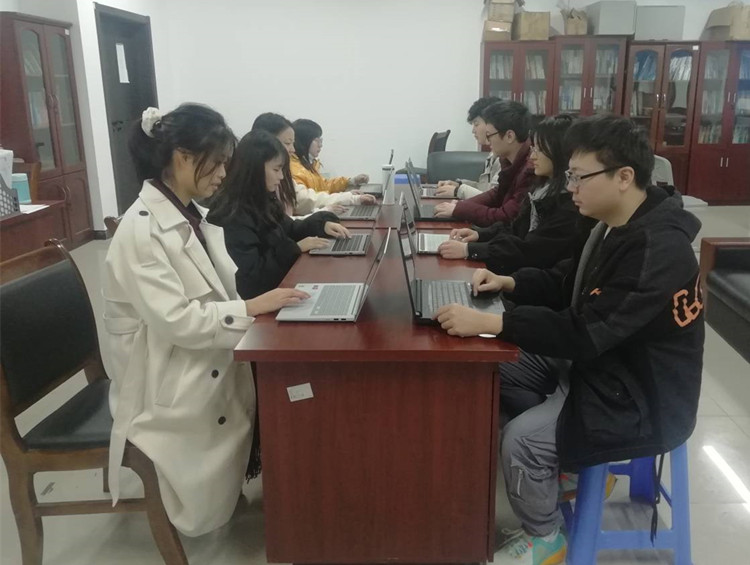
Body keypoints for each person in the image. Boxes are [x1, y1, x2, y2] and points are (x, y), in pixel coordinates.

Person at [434, 115, 703, 565]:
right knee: (490, 363)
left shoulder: (656, 249)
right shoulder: (613, 222)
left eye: (579, 177)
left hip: (638, 393)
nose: (570, 187)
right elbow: (569, 283)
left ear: (624, 177)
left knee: (521, 439)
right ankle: (564, 468)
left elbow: (585, 332)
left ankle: (546, 537)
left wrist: (498, 323)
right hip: (604, 364)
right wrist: (510, 282)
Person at [104, 104, 309, 536]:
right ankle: (293, 505)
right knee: (289, 387)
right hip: (166, 376)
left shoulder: (188, 215)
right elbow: (180, 322)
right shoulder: (141, 231)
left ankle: (293, 491)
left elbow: (217, 293)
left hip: (194, 349)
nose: (223, 175)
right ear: (182, 157)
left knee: (289, 379)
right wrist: (252, 307)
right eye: (216, 164)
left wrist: (253, 306)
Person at [437, 114, 594, 275]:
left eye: (539, 149)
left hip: (527, 277)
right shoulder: (541, 187)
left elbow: (529, 249)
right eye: (533, 148)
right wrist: (479, 234)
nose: (532, 156)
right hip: (518, 273)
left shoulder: (568, 203)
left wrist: (470, 249)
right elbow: (515, 226)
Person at [208, 130, 351, 299]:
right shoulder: (231, 213)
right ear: (254, 169)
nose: (281, 176)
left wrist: (322, 225)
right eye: (276, 169)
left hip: (279, 287)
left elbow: (290, 228)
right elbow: (252, 278)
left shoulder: (261, 199)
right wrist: (295, 248)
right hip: (262, 301)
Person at [251, 112, 376, 215]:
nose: (292, 149)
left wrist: (348, 189)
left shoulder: (306, 164)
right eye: (288, 143)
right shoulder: (291, 170)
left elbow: (319, 188)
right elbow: (303, 203)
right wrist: (323, 212)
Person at [434, 101, 535, 227]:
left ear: (509, 136)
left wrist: (460, 209)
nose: (488, 140)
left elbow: (506, 217)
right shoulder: (510, 162)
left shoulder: (530, 169)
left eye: (489, 135)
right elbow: (496, 195)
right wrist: (460, 206)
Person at [434, 96, 501, 199]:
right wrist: (458, 185)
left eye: (476, 124)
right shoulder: (493, 155)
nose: (473, 131)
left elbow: (493, 199)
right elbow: (484, 189)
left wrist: (457, 191)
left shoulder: (504, 158)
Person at [290, 118, 369, 193]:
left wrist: (351, 181)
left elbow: (324, 186)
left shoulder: (309, 164)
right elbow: (310, 199)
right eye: (316, 140)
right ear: (303, 142)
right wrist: (346, 197)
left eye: (321, 140)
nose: (320, 145)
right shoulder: (295, 170)